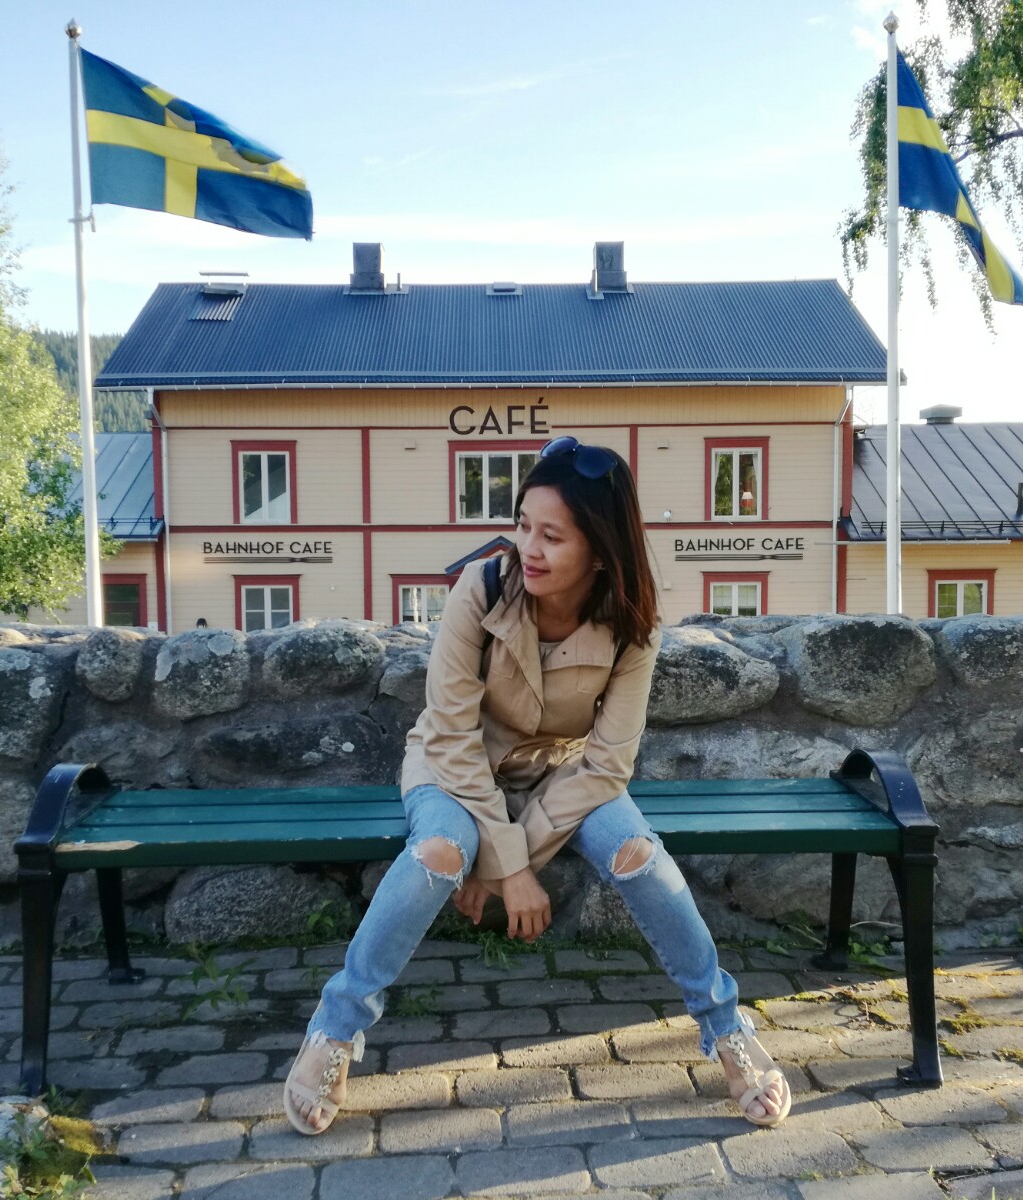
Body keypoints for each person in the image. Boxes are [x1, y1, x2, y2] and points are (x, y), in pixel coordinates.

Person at [282, 435, 791, 1135]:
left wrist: (510, 858)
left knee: (639, 855)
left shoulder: (633, 628)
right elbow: (451, 734)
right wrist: (508, 865)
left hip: (565, 774)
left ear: (601, 549)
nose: (529, 547)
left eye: (552, 535)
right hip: (454, 768)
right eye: (523, 525)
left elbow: (607, 765)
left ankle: (725, 1027)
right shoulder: (482, 587)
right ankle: (335, 1029)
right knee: (439, 854)